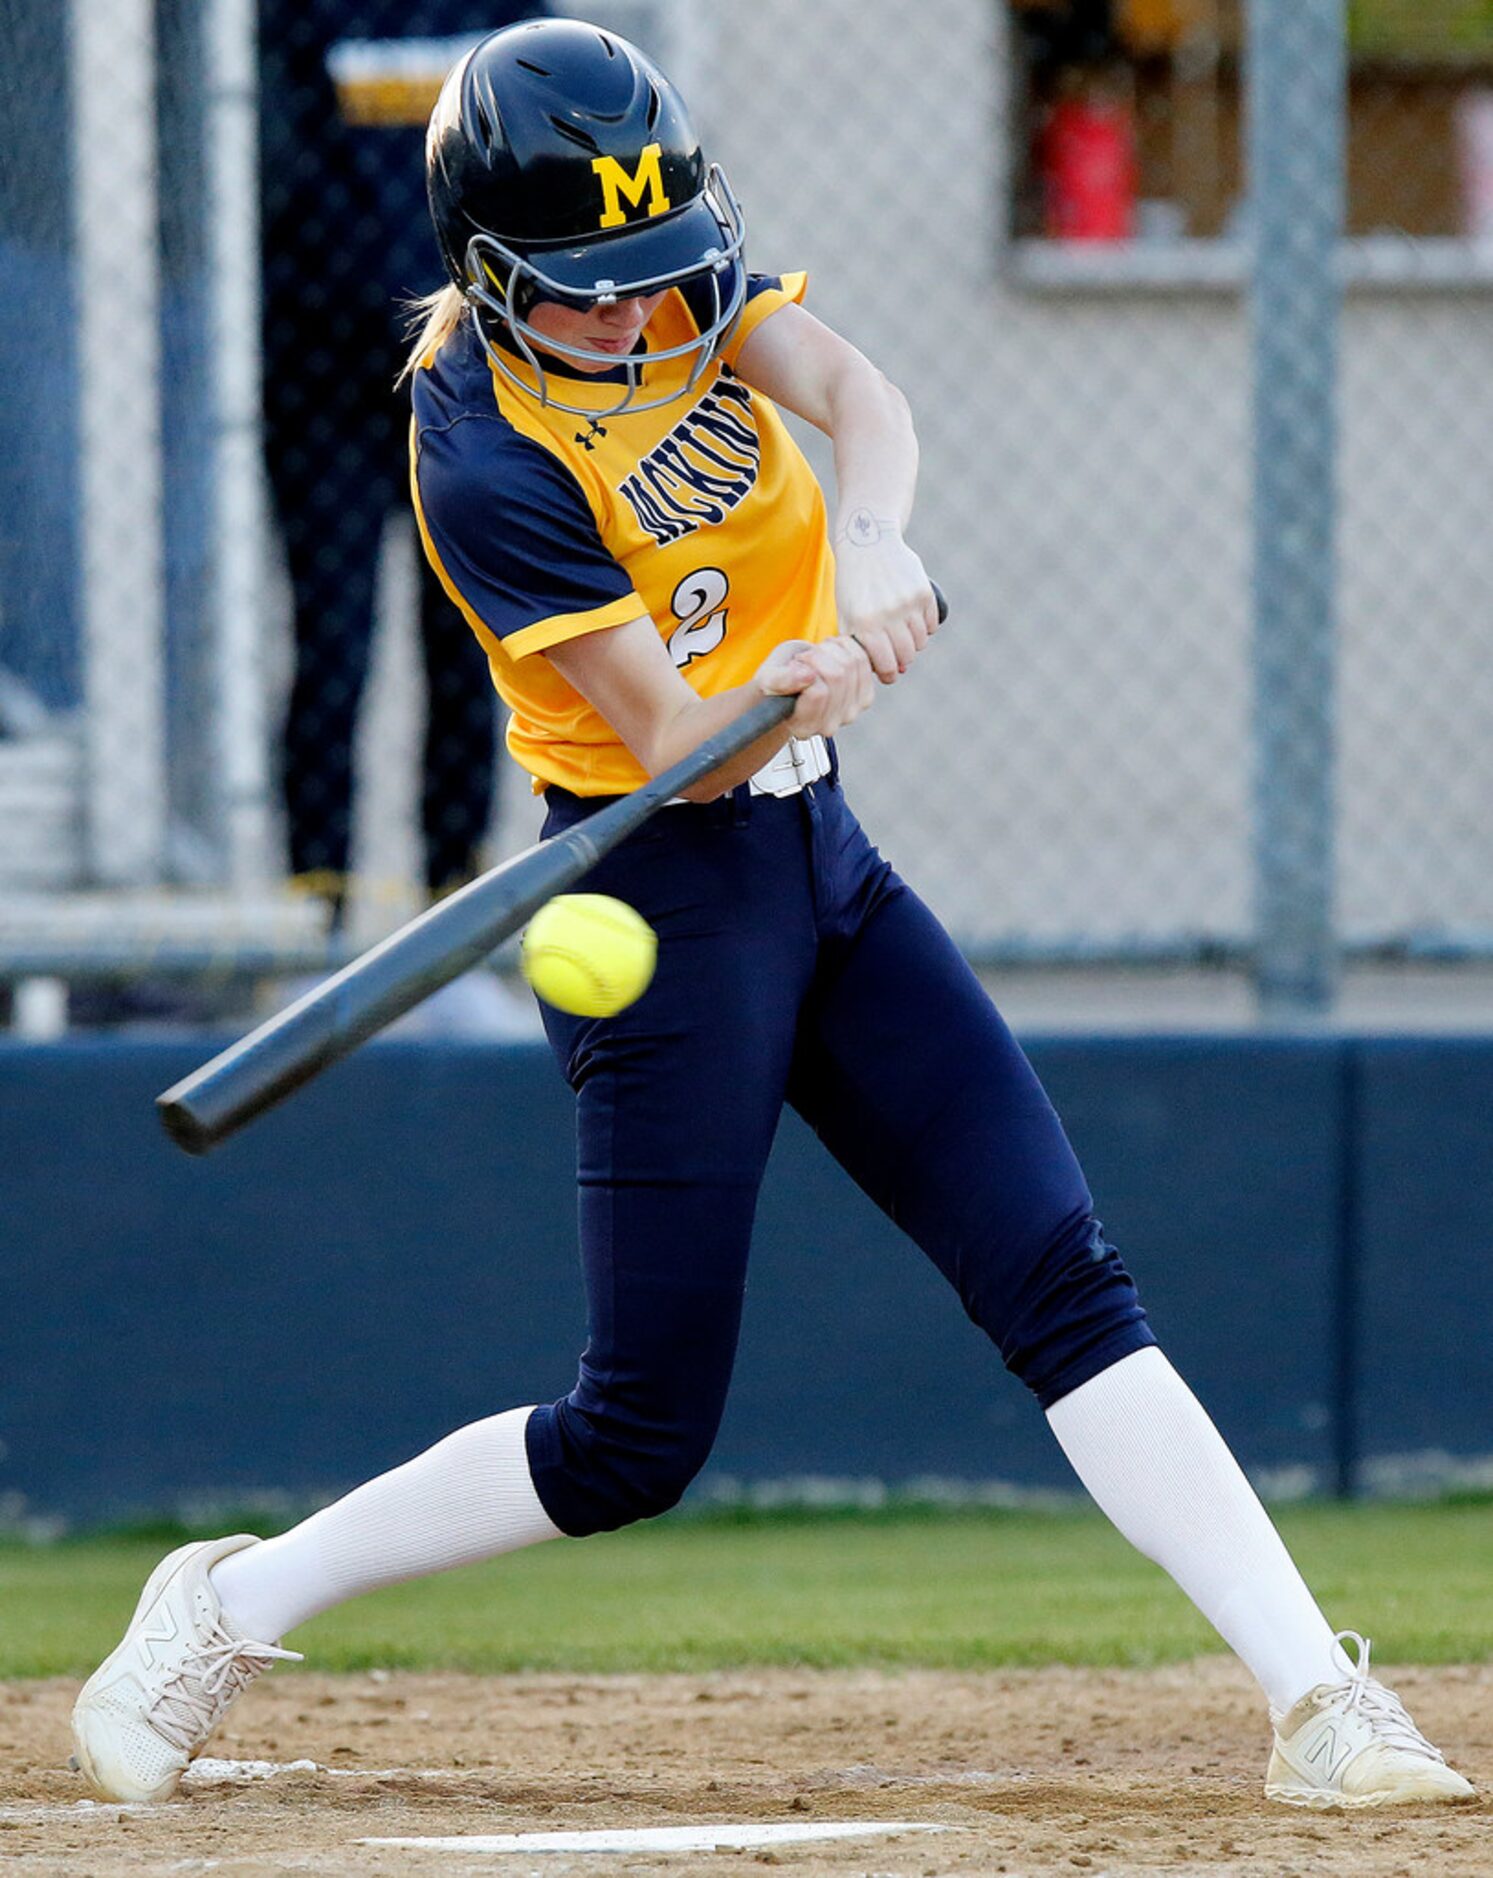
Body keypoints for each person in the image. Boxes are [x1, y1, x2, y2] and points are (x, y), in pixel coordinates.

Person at [71, 18, 1473, 1813]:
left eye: (655, 278)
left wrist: (872, 542)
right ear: (491, 278)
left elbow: (863, 399)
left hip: (828, 865)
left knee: (1059, 1275)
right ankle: (228, 1596)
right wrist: (796, 676)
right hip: (660, 902)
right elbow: (675, 740)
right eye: (592, 293)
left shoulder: (672, 267)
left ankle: (1317, 1700)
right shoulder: (482, 456)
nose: (641, 317)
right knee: (634, 1433)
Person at [259, 0, 548, 926]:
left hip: (470, 385)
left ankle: (454, 906)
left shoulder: (509, 16)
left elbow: (545, 179)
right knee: (333, 649)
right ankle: (316, 912)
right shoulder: (300, 18)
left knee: (469, 646)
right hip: (324, 387)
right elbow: (262, 168)